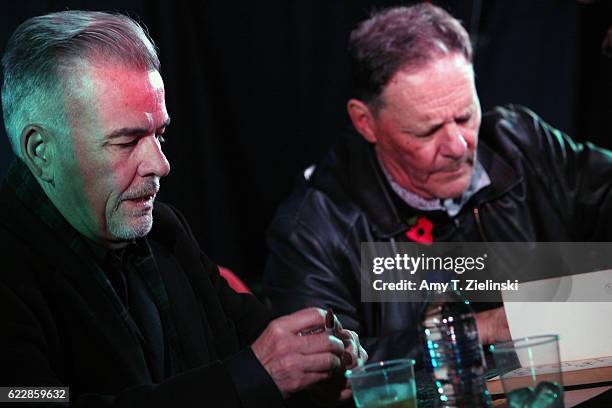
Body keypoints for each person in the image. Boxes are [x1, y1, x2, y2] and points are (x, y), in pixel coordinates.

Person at [0, 11, 366, 407]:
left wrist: (319, 360)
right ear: (41, 151)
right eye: (126, 142)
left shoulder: (166, 233)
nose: (160, 164)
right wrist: (248, 379)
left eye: (160, 134)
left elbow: (261, 348)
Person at [264, 3, 612, 364]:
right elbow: (323, 376)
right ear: (365, 122)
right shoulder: (314, 230)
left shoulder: (520, 143)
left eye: (465, 115)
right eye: (428, 130)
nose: (458, 146)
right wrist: (480, 329)